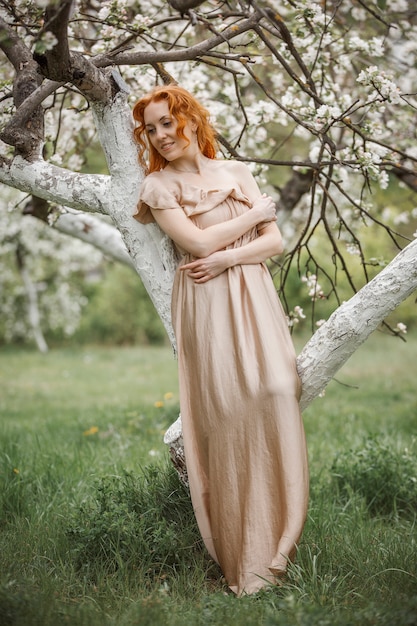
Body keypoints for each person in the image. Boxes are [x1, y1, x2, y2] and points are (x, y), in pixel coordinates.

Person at [132, 84, 309, 596]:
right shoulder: (157, 186)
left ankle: (282, 540)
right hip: (205, 304)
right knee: (229, 413)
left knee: (278, 388)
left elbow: (273, 243)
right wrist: (255, 216)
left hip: (251, 292)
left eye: (169, 122)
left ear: (190, 119)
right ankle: (243, 553)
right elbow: (196, 243)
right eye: (152, 129)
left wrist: (233, 255)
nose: (162, 135)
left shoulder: (234, 172)